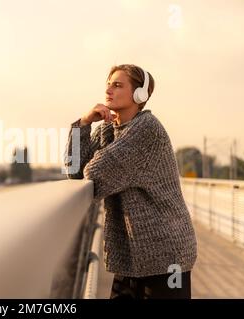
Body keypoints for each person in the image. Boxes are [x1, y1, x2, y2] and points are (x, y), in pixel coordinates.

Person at [65, 64, 197, 299]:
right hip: (133, 257)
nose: (109, 90)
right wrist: (84, 124)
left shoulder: (146, 129)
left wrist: (93, 151)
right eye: (108, 84)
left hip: (167, 258)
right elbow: (74, 171)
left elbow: (94, 173)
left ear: (139, 95)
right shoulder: (109, 129)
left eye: (117, 85)